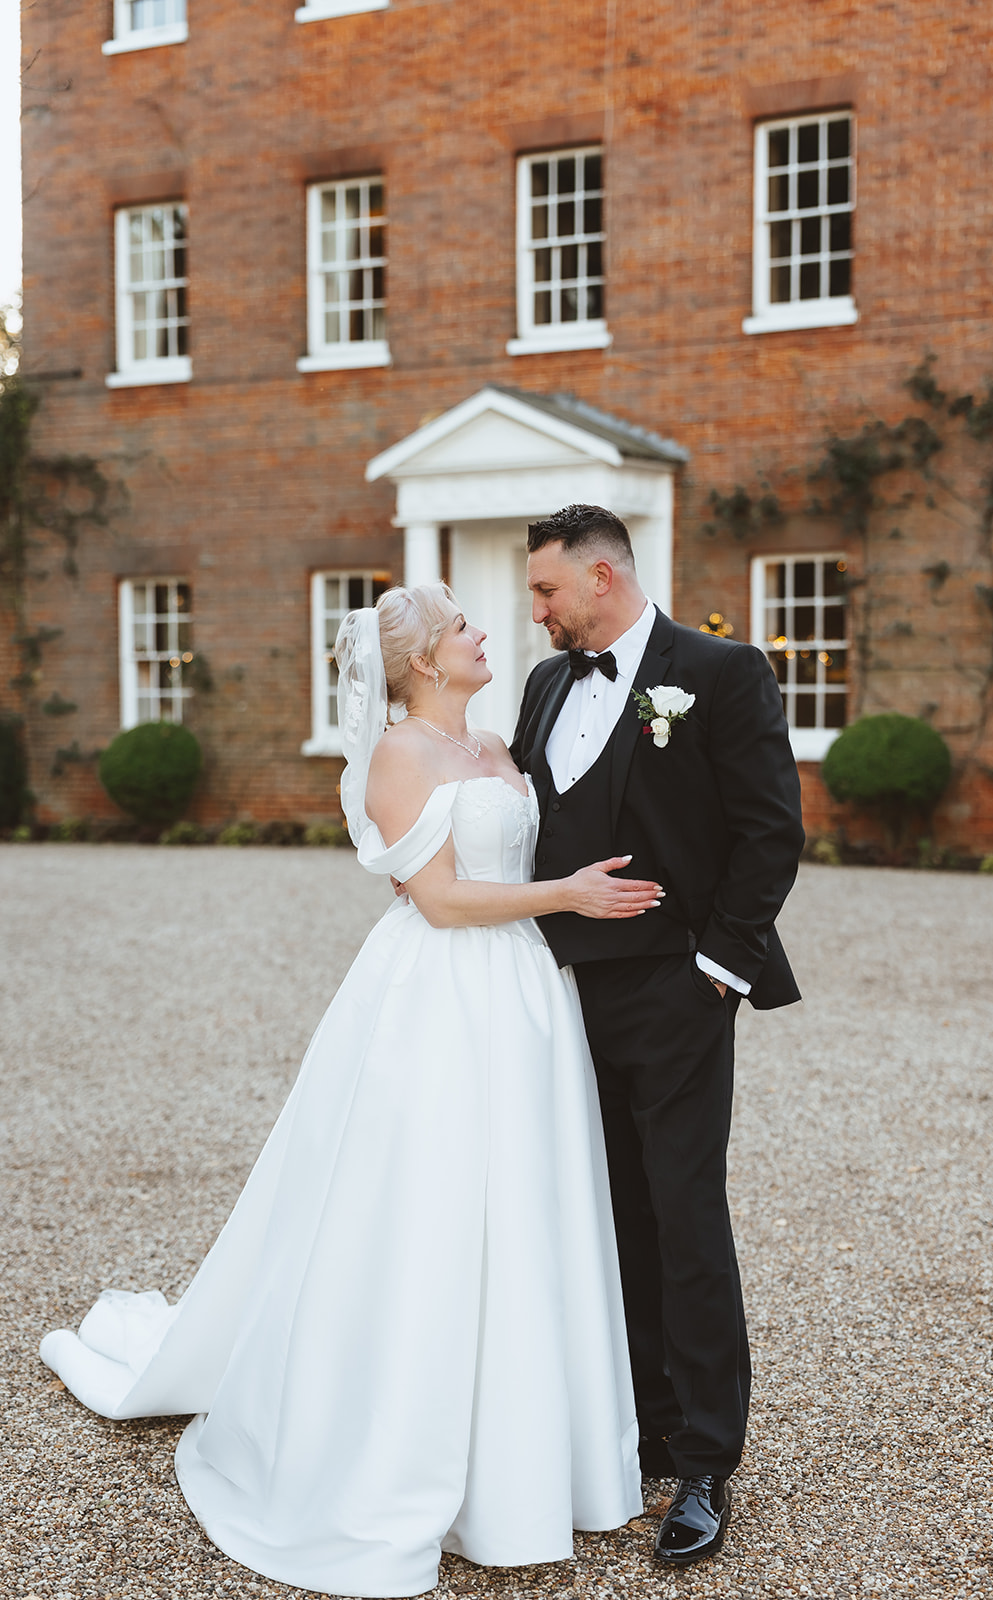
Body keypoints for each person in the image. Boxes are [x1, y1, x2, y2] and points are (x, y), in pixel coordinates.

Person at [40, 583, 662, 1599]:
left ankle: (533, 1454)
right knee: (432, 1206)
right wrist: (566, 894)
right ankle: (405, 1456)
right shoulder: (398, 757)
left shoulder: (498, 746)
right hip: (442, 992)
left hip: (524, 996)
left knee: (526, 1207)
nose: (479, 633)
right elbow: (442, 897)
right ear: (423, 662)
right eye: (461, 626)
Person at [510, 503, 805, 1567]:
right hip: (555, 995)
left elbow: (771, 830)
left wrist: (715, 973)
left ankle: (706, 1455)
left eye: (545, 590)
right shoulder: (546, 685)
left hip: (676, 992)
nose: (532, 611)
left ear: (599, 576)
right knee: (604, 1207)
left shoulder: (718, 671)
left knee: (682, 1212)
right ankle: (636, 1416)